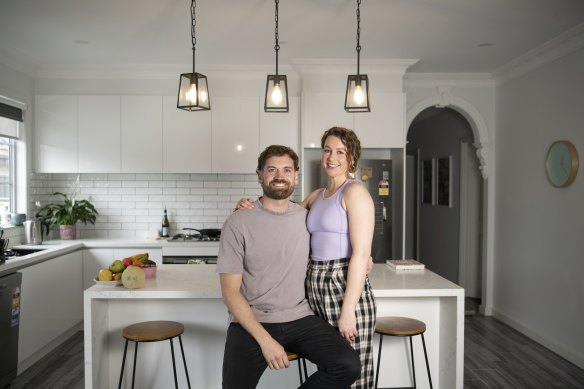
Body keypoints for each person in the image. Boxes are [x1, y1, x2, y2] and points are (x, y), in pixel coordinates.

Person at [236, 127, 377, 388]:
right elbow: (280, 218)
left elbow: (360, 254)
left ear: (351, 157)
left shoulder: (354, 192)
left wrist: (348, 310)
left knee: (352, 371)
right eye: (327, 150)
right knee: (330, 368)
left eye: (340, 152)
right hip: (314, 290)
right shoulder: (317, 195)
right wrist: (248, 206)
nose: (331, 157)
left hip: (342, 288)